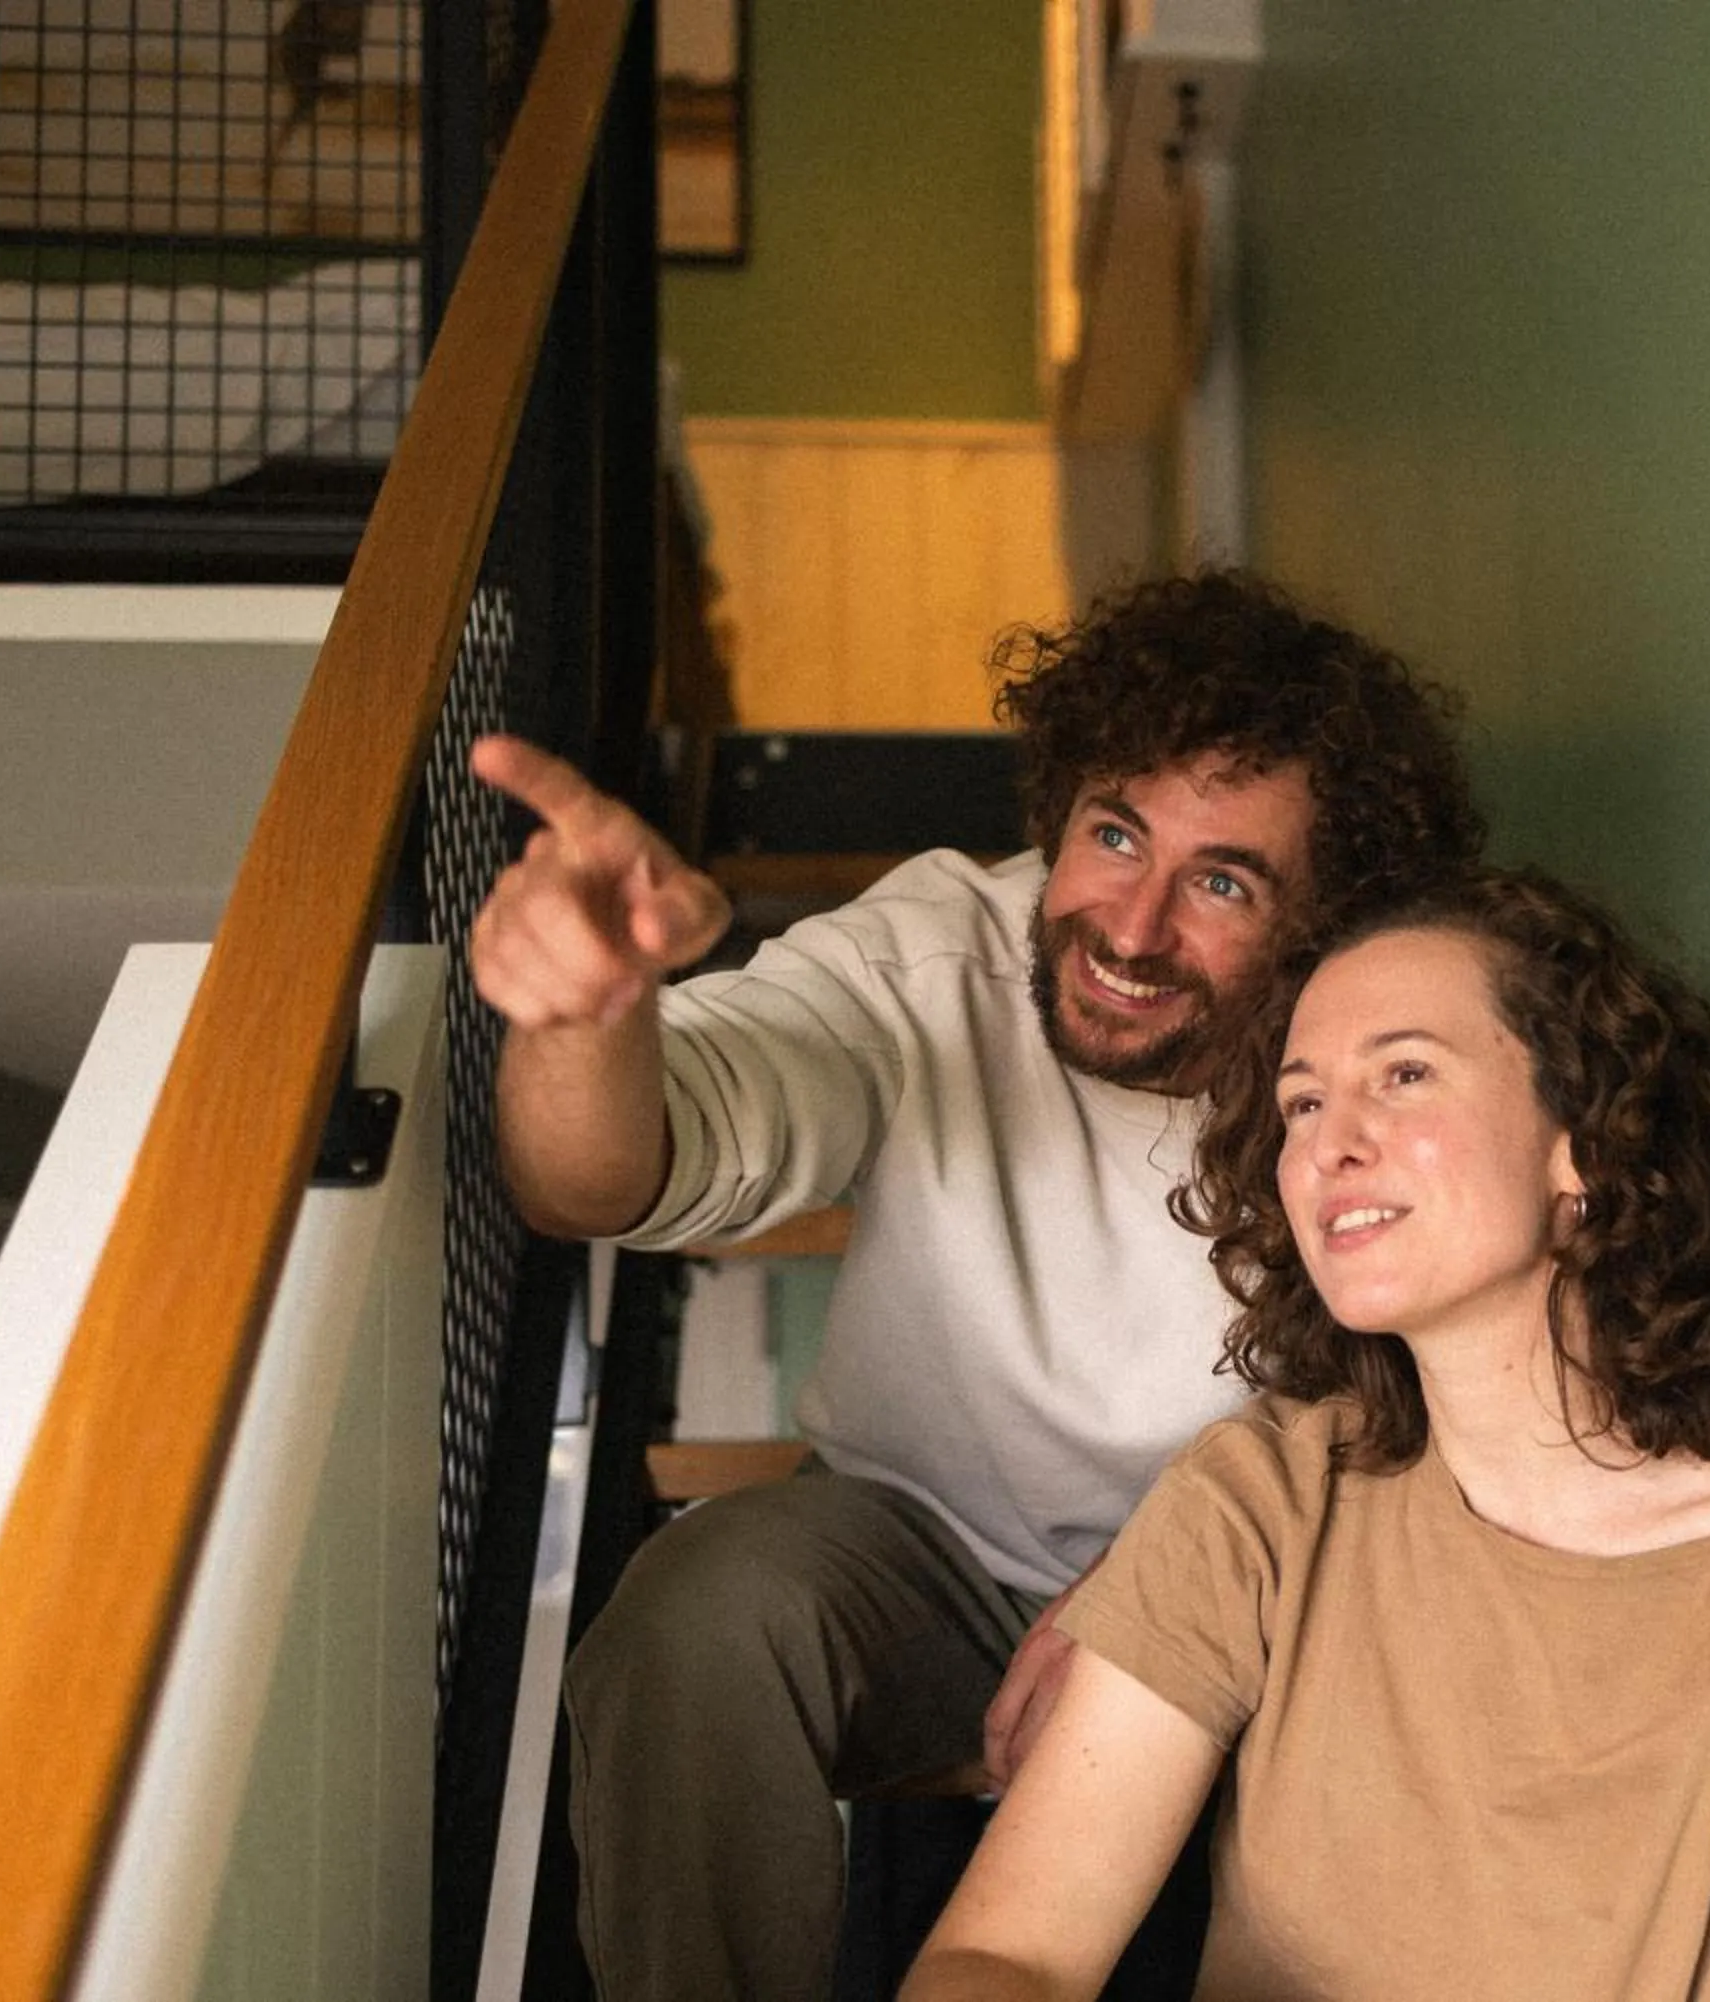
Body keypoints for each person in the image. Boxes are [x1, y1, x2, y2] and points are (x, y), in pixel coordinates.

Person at [465, 571, 1485, 2002]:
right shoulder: (937, 950)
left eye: (1222, 882)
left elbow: (1452, 1402)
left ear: (1323, 924)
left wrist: (1158, 1597)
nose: (1131, 927)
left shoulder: (1385, 1047)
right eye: (1113, 834)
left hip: (1262, 1585)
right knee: (697, 1615)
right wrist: (588, 1012)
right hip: (917, 1543)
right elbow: (599, 1181)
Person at [901, 869, 1710, 2002]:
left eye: (1404, 1075)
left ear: (1586, 1143)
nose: (1330, 1144)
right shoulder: (1264, 1498)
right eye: (1303, 1104)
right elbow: (1008, 1954)